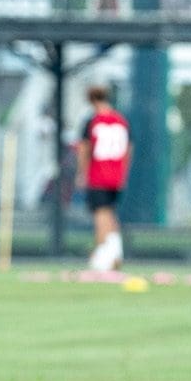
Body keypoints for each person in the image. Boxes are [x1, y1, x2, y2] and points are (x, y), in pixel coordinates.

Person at [76, 85, 130, 271]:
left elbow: (84, 149)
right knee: (110, 213)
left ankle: (102, 255)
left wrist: (82, 173)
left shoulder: (93, 121)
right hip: (116, 176)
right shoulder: (121, 120)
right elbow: (129, 148)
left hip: (98, 175)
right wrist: (123, 172)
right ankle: (116, 252)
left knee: (100, 215)